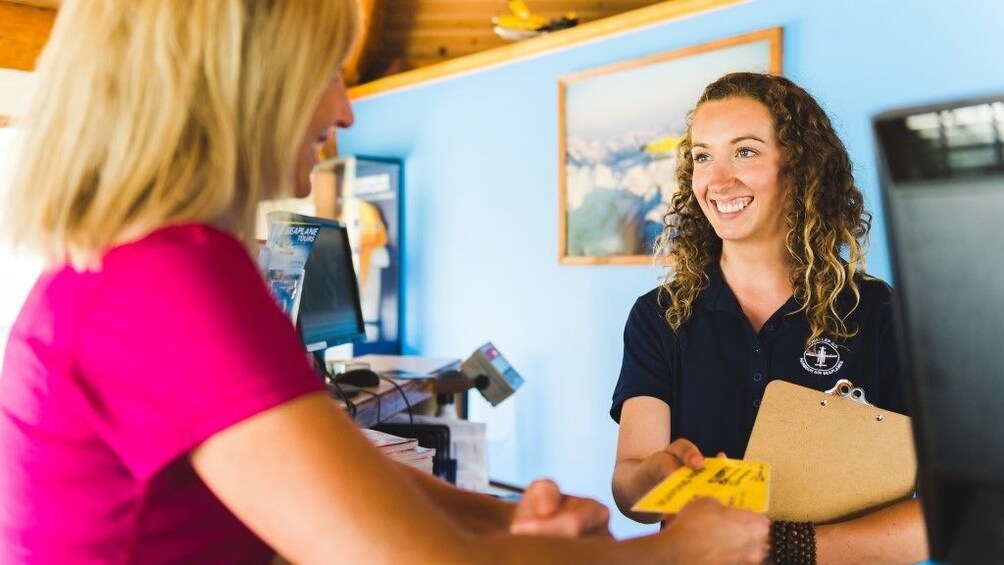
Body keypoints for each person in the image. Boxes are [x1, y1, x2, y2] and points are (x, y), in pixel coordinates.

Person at [0, 2, 770, 563]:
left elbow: (358, 480)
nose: (345, 109)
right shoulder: (168, 280)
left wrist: (505, 521)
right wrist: (677, 554)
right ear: (239, 81)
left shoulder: (135, 268)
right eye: (328, 75)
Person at [610, 72, 931, 564]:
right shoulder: (659, 317)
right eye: (702, 156)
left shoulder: (877, 314)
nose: (718, 180)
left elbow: (937, 514)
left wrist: (786, 548)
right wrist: (661, 474)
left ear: (799, 167)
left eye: (746, 151)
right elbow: (630, 488)